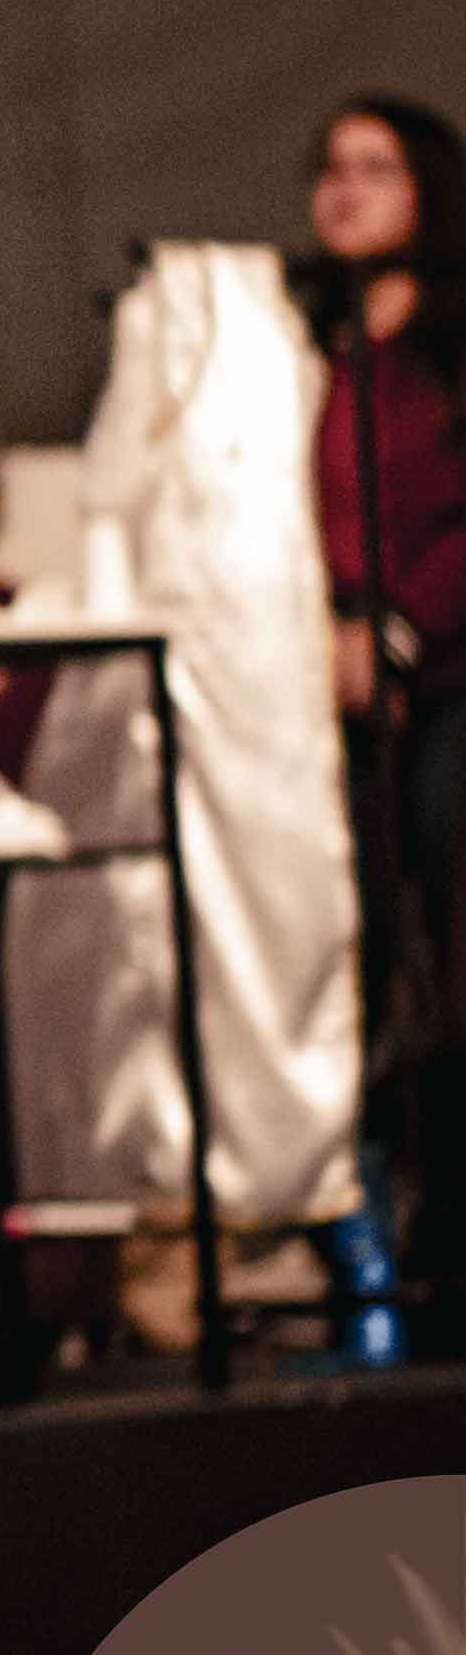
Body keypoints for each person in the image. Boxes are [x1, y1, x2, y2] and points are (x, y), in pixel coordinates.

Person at [298, 94, 466, 1318]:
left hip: (442, 674)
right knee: (344, 936)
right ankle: (370, 1220)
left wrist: (398, 635)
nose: (343, 189)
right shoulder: (306, 353)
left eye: (374, 168)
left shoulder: (445, 358)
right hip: (320, 684)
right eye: (329, 169)